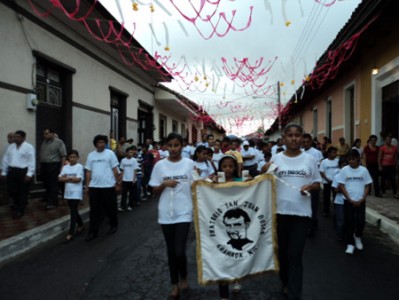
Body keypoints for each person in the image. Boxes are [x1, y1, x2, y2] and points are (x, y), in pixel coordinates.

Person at [267, 123, 321, 299]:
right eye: (290, 135)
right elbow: (266, 181)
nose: (294, 138)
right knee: (282, 253)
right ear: (284, 137)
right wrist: (264, 171)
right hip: (280, 212)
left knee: (295, 254)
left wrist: (310, 187)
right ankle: (285, 282)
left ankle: (294, 293)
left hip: (301, 214)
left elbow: (317, 183)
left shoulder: (310, 160)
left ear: (302, 137)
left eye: (297, 135)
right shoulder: (276, 158)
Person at [149, 132, 194, 300]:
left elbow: (198, 184)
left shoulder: (189, 164)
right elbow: (153, 191)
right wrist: (163, 184)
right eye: (170, 145)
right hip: (166, 213)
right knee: (170, 251)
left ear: (182, 146)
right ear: (166, 147)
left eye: (176, 145)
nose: (173, 149)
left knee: (179, 251)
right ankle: (174, 284)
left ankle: (184, 275)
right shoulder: (160, 166)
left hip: (184, 211)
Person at [212, 155, 248, 298]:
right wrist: (211, 183)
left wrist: (251, 182)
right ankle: (223, 295)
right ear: (220, 168)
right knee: (221, 259)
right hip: (220, 226)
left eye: (230, 166)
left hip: (236, 226)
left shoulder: (241, 181)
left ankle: (236, 278)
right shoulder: (214, 181)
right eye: (224, 166)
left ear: (235, 168)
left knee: (236, 254)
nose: (227, 169)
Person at [85, 134, 120, 241]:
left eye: (104, 142)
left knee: (111, 207)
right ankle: (93, 231)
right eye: (100, 142)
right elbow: (88, 172)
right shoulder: (91, 155)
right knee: (94, 210)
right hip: (95, 187)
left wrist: (117, 183)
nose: (102, 144)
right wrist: (87, 186)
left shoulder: (110, 154)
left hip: (108, 186)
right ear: (96, 144)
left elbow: (115, 169)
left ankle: (113, 225)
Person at [338, 149, 372, 254]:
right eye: (349, 159)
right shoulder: (344, 170)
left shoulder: (364, 170)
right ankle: (350, 244)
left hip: (360, 201)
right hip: (348, 201)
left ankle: (357, 236)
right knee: (350, 222)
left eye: (353, 159)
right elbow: (341, 185)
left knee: (361, 221)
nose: (351, 161)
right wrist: (348, 198)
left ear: (358, 158)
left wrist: (362, 198)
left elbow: (367, 185)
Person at [1, 131, 35, 219]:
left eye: (18, 137)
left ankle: (20, 210)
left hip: (23, 171)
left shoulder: (28, 147)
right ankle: (19, 203)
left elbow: (31, 161)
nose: (16, 139)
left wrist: (29, 174)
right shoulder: (11, 147)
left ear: (23, 138)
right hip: (12, 171)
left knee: (22, 192)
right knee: (11, 190)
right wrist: (4, 172)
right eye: (15, 137)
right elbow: (6, 159)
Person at [58, 150, 84, 242]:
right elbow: (60, 178)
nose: (72, 159)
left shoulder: (79, 167)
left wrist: (66, 179)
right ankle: (81, 224)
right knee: (73, 210)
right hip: (68, 191)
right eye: (71, 157)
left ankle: (70, 233)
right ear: (68, 158)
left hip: (76, 192)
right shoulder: (65, 167)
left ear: (77, 157)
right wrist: (70, 178)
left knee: (73, 211)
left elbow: (78, 180)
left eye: (74, 157)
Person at [39, 128, 67, 210]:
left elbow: (63, 155)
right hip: (44, 165)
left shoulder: (59, 142)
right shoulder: (44, 142)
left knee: (53, 184)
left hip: (54, 165)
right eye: (44, 134)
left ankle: (52, 202)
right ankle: (48, 197)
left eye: (46, 133)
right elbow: (41, 154)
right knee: (46, 182)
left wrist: (62, 167)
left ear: (52, 133)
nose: (45, 135)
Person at [302, 133, 323, 236]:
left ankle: (312, 227)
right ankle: (308, 225)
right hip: (303, 185)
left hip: (313, 184)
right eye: (304, 142)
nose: (305, 144)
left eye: (307, 142)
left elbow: (318, 168)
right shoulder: (300, 152)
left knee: (313, 206)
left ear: (311, 142)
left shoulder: (317, 153)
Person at [331, 156, 348, 241]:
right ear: (340, 166)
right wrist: (342, 187)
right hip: (340, 201)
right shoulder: (337, 176)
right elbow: (335, 189)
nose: (344, 167)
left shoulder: (350, 175)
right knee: (340, 219)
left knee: (348, 220)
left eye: (346, 165)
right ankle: (340, 234)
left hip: (349, 201)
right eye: (343, 165)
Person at [319, 146, 339, 217]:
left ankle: (336, 210)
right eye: (334, 152)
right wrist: (327, 179)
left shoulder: (337, 161)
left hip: (336, 183)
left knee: (336, 197)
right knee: (326, 197)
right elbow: (321, 171)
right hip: (327, 182)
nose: (335, 154)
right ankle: (326, 211)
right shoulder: (324, 162)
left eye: (335, 152)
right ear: (329, 153)